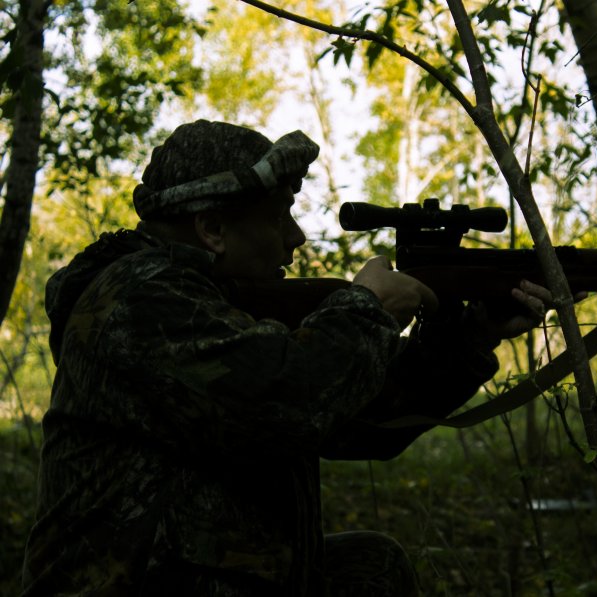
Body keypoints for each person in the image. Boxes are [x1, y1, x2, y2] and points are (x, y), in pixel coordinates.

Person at [22, 120, 552, 595]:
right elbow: (289, 400)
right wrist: (368, 309)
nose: (295, 238)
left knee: (371, 568)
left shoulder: (215, 304)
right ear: (212, 229)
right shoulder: (138, 297)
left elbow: (361, 421)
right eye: (279, 219)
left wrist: (468, 338)